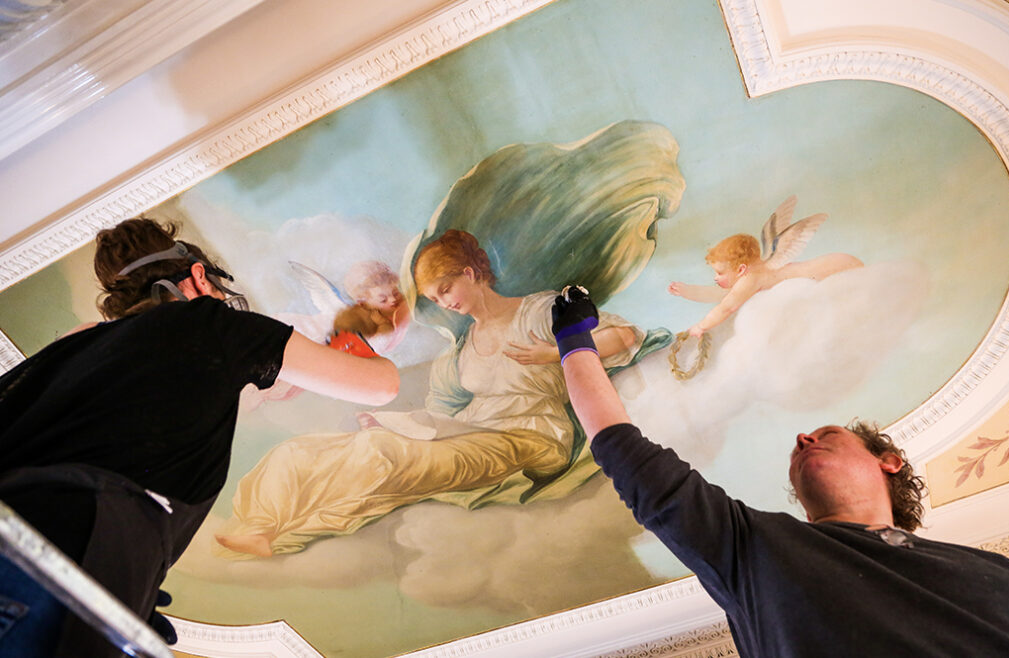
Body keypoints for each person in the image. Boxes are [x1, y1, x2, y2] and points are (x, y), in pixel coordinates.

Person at [0, 218, 399, 657]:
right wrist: (351, 335)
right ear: (197, 277)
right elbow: (379, 386)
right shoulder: (208, 321)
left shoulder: (69, 346)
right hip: (68, 552)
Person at [552, 285, 1009, 657]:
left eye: (828, 434)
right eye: (804, 442)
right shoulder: (753, 547)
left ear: (889, 462)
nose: (802, 439)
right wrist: (573, 336)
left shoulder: (994, 569)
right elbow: (622, 449)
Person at [214, 229, 654, 557]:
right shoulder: (461, 350)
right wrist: (395, 421)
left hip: (530, 437)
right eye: (434, 298)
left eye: (446, 290)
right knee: (300, 452)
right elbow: (440, 410)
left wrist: (558, 349)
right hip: (470, 431)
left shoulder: (540, 310)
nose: (445, 303)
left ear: (470, 273)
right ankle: (259, 526)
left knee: (383, 455)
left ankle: (277, 531)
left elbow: (625, 334)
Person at [668, 233, 862, 338]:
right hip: (833, 264)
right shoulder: (754, 275)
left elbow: (726, 307)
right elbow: (719, 295)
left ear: (741, 269)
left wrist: (701, 326)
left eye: (719, 272)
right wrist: (687, 291)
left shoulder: (750, 279)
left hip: (834, 268)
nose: (715, 278)